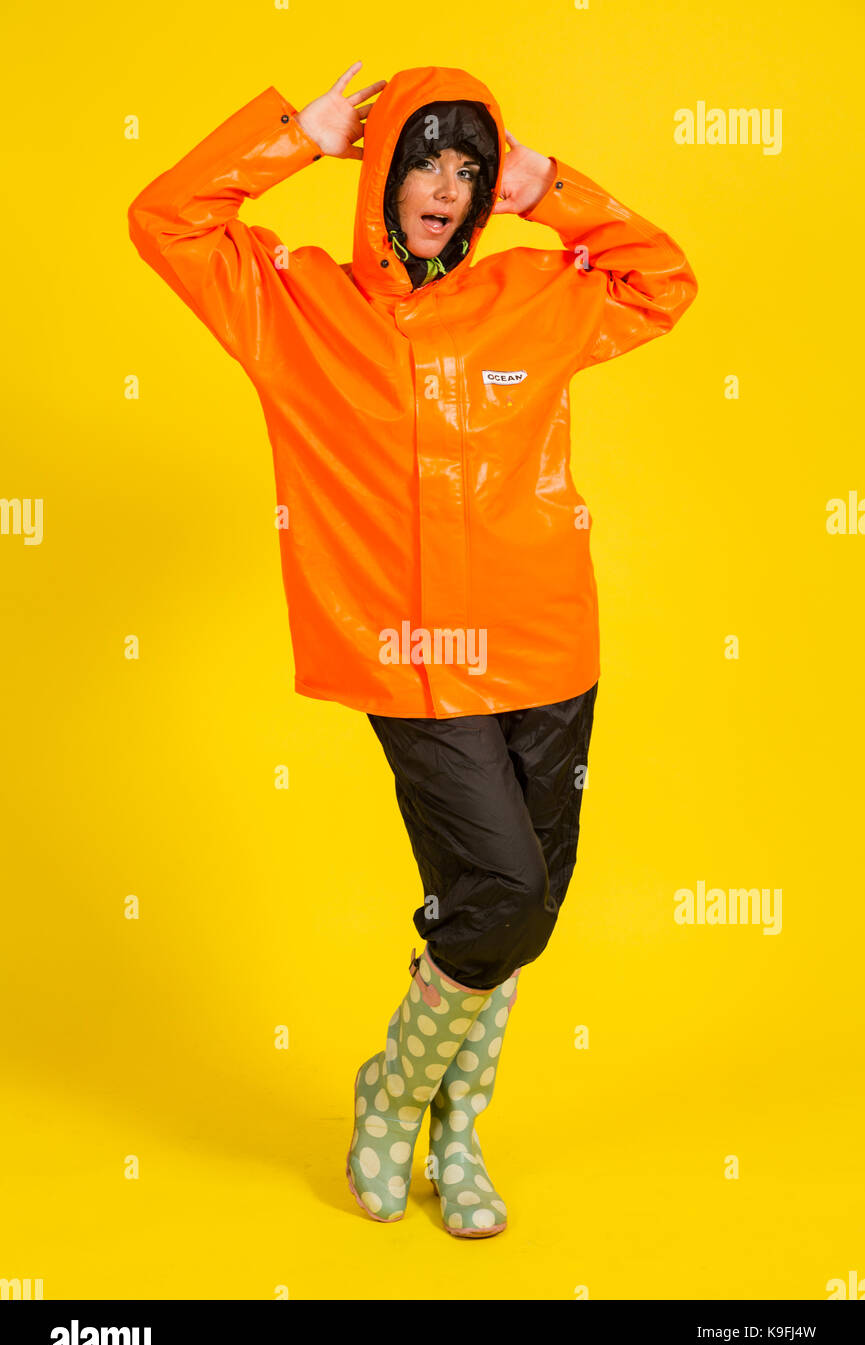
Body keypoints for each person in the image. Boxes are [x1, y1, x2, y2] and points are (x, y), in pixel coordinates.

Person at [128, 59, 698, 1239]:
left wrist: (550, 188)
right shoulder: (288, 304)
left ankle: (458, 1131)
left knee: (518, 913)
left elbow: (663, 281)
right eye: (420, 158)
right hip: (407, 655)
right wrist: (300, 132)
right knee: (499, 891)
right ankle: (392, 1095)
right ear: (376, 172)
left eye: (467, 167)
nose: (444, 186)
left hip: (545, 644)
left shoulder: (536, 298)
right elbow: (167, 219)